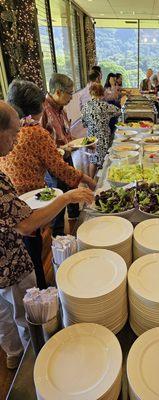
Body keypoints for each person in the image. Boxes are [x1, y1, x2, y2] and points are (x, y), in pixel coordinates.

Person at [0, 100, 93, 370]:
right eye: (14, 133)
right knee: (24, 315)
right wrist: (66, 198)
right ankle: (36, 363)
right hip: (9, 264)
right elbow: (26, 224)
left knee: (5, 317)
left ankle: (14, 356)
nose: (17, 140)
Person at [0, 80, 95, 288]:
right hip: (28, 206)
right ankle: (44, 289)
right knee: (32, 253)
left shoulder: (21, 132)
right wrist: (83, 183)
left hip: (18, 208)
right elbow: (59, 169)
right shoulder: (34, 132)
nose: (16, 141)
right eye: (14, 135)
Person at [41, 73, 81, 235]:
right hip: (52, 165)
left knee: (72, 189)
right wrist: (64, 149)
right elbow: (42, 145)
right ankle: (58, 239)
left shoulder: (60, 109)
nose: (72, 97)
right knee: (58, 199)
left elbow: (65, 134)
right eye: (70, 93)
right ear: (58, 92)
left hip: (67, 156)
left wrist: (77, 144)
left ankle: (76, 221)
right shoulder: (43, 110)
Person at [82, 83, 121, 177]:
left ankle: (91, 182)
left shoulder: (85, 106)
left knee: (92, 159)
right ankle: (102, 180)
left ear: (91, 93)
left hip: (90, 137)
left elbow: (84, 124)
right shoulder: (104, 106)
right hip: (103, 136)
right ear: (102, 93)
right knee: (104, 159)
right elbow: (119, 111)